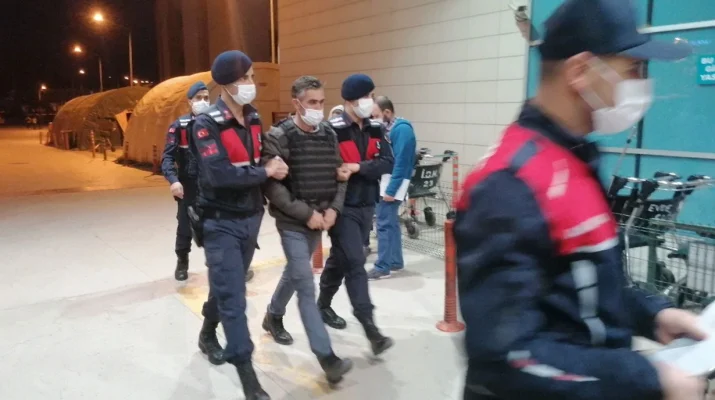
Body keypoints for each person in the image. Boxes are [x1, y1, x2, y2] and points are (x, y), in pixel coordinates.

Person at [455, 1, 706, 399]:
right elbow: (505, 360)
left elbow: (581, 291)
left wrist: (653, 315)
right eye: (633, 69)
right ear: (579, 72)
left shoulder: (575, 158)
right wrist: (649, 379)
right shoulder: (510, 184)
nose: (642, 84)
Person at [189, 50, 289, 400]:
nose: (250, 84)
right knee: (234, 298)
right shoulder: (206, 123)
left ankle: (206, 333)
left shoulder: (254, 117)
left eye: (251, 77)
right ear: (227, 83)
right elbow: (219, 175)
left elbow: (260, 158)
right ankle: (249, 380)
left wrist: (274, 165)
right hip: (220, 222)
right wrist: (265, 171)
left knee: (224, 286)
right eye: (244, 78)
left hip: (250, 219)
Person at [261, 75, 353, 383]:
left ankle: (273, 315)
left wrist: (334, 208)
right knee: (304, 283)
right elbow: (273, 188)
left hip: (320, 219)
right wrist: (307, 213)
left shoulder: (328, 133)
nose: (318, 108)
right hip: (293, 223)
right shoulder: (279, 136)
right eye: (312, 102)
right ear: (296, 103)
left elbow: (341, 174)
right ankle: (327, 357)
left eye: (321, 102)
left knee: (295, 271)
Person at [317, 73, 395, 356]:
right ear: (350, 100)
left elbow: (388, 162)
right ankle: (370, 326)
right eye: (366, 96)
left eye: (371, 96)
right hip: (342, 208)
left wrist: (358, 167)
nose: (370, 101)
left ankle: (322, 304)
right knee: (354, 262)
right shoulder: (332, 130)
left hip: (367, 206)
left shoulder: (375, 128)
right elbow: (328, 169)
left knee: (341, 258)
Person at [161, 81, 210, 282]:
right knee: (185, 226)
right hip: (188, 185)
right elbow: (167, 157)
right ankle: (182, 260)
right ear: (190, 101)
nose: (203, 101)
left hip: (212, 185)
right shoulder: (179, 126)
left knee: (219, 226)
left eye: (206, 98)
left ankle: (223, 263)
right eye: (198, 98)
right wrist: (173, 180)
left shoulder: (216, 124)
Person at [367, 96, 416, 279]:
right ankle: (395, 261)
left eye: (376, 115)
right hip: (388, 180)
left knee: (384, 224)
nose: (374, 119)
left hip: (393, 182)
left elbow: (402, 162)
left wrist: (391, 189)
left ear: (387, 112)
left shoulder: (402, 130)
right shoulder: (388, 129)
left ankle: (383, 266)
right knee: (391, 223)